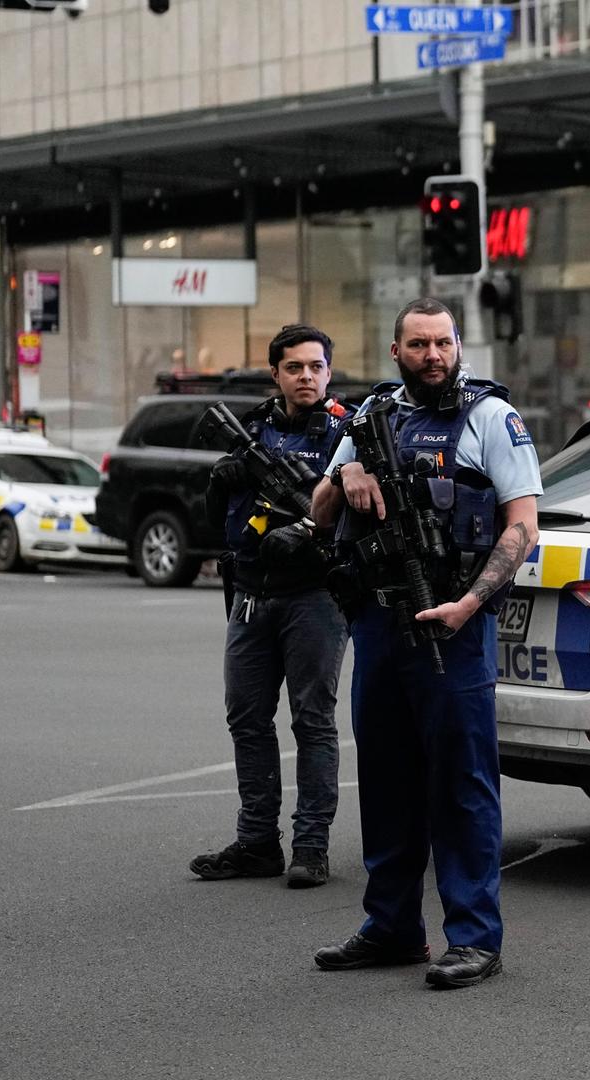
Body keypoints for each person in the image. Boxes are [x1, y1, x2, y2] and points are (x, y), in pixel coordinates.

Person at [310, 298, 541, 990]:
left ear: (458, 346)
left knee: (462, 786)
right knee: (384, 780)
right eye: (418, 345)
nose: (433, 356)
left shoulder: (491, 418)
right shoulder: (370, 416)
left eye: (443, 343)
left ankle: (473, 938)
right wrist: (342, 473)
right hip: (379, 624)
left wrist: (471, 603)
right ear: (396, 352)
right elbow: (318, 513)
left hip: (455, 624)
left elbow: (523, 526)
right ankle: (391, 927)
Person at [189, 324, 351, 889]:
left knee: (312, 721)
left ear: (328, 371)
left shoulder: (348, 433)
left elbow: (365, 510)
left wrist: (309, 529)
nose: (305, 376)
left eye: (315, 366)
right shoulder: (253, 430)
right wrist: (221, 480)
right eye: (294, 368)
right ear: (276, 374)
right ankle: (257, 842)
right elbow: (219, 519)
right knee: (247, 719)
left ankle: (311, 846)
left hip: (315, 595)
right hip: (253, 592)